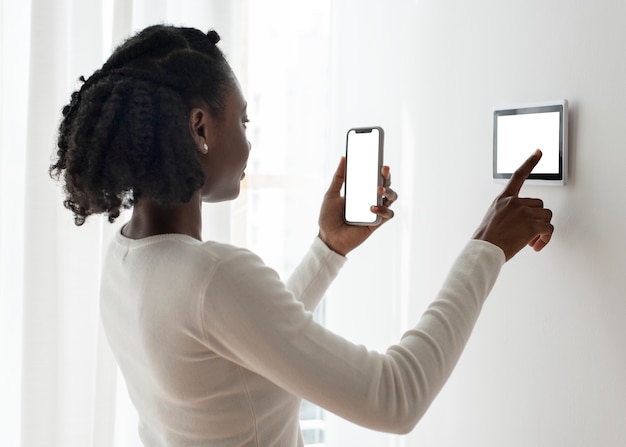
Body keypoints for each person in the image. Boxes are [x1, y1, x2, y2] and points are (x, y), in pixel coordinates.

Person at [50, 25, 553, 447]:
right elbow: (396, 398)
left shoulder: (123, 259)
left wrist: (328, 248)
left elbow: (243, 343)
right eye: (243, 120)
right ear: (200, 126)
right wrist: (485, 248)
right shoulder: (212, 275)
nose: (248, 142)